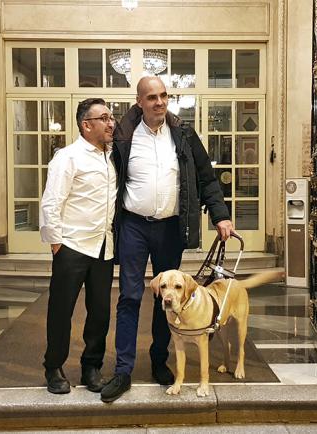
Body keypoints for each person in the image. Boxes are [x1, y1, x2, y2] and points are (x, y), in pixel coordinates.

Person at [100, 76, 234, 403]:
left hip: (170, 228)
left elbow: (206, 177)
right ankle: (123, 370)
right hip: (133, 226)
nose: (159, 102)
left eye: (163, 95)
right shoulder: (123, 136)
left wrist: (220, 214)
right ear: (139, 101)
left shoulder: (184, 134)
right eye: (151, 97)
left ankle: (160, 360)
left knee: (169, 298)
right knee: (130, 296)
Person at [40, 98, 117, 394]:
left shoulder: (112, 156)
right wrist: (56, 244)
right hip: (71, 246)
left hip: (103, 247)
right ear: (87, 125)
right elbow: (52, 201)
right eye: (104, 118)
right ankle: (53, 367)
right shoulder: (68, 157)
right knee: (61, 311)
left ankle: (91, 367)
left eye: (111, 117)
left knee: (99, 313)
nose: (111, 123)